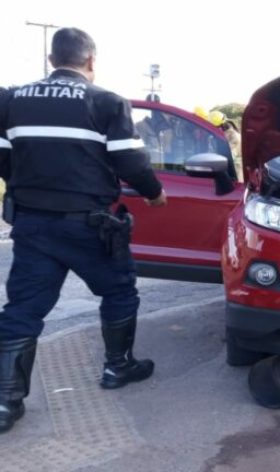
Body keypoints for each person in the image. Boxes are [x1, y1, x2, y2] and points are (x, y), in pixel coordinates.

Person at [0, 27, 167, 434]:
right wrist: (154, 193)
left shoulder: (11, 100)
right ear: (90, 61)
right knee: (120, 290)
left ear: (53, 60)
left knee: (22, 309)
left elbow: (4, 159)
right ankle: (118, 367)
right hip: (89, 226)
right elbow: (130, 163)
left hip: (32, 223)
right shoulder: (105, 101)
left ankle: (5, 403)